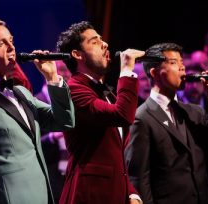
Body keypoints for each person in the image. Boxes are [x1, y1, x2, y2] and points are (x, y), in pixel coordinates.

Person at [0, 15, 74, 204]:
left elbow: (64, 120)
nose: (11, 48)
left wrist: (52, 78)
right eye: (1, 43)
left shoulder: (21, 92)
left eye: (11, 41)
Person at [124, 42, 208, 204]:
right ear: (155, 73)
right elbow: (138, 179)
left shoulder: (195, 112)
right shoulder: (142, 118)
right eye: (173, 62)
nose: (182, 68)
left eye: (182, 62)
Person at [56, 21, 144, 204]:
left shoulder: (105, 92)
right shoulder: (73, 89)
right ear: (77, 54)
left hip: (115, 193)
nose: (105, 44)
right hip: (89, 194)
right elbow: (123, 115)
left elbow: (114, 155)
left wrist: (130, 192)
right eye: (95, 41)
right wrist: (127, 69)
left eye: (102, 39)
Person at [36, 60, 71, 204]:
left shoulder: (66, 101)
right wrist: (52, 136)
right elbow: (32, 140)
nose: (67, 74)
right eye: (62, 69)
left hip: (66, 172)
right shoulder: (37, 100)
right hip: (49, 171)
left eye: (68, 70)